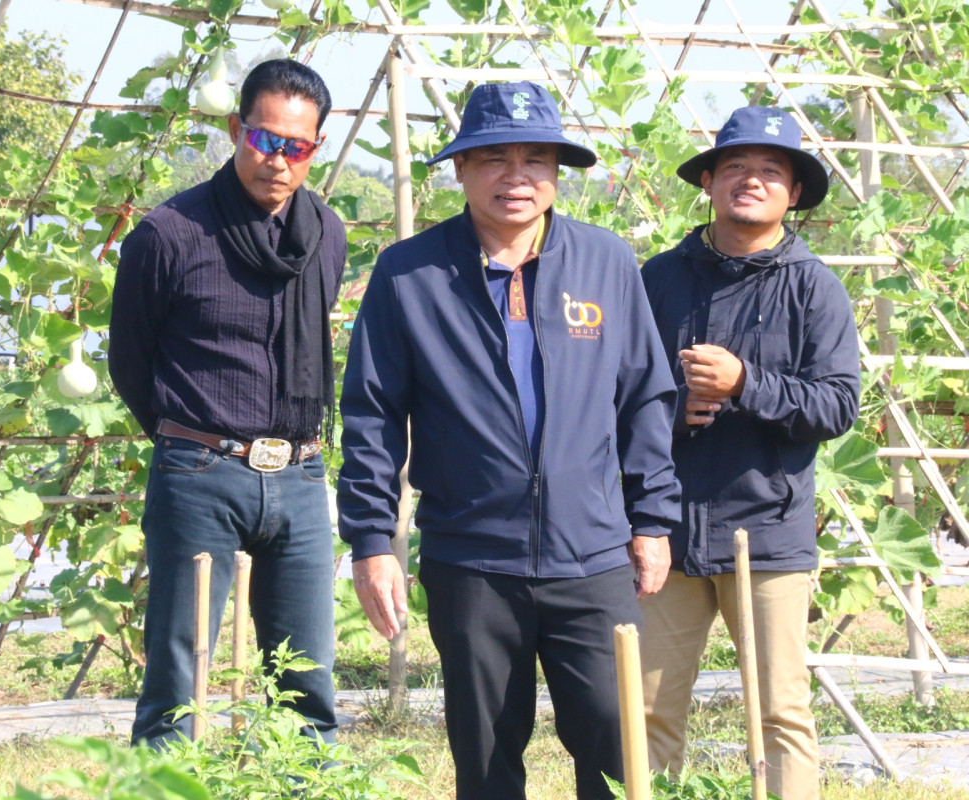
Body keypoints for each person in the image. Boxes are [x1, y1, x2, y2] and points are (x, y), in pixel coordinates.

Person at [337, 81, 682, 800]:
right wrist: (371, 541)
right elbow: (372, 414)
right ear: (461, 168)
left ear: (557, 172)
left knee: (617, 745)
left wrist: (652, 519)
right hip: (472, 558)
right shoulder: (409, 274)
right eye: (494, 158)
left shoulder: (606, 262)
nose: (516, 177)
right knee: (487, 756)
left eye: (536, 159)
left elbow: (645, 397)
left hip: (591, 554)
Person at [109, 58, 346, 749]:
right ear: (238, 130)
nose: (278, 160)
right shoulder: (170, 234)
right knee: (178, 682)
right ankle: (163, 789)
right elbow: (130, 363)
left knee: (306, 680)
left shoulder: (325, 235)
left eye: (296, 146)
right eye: (265, 139)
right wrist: (190, 443)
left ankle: (303, 789)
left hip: (300, 475)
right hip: (201, 473)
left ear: (316, 148)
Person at [639, 106, 861, 800]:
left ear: (793, 194)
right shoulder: (658, 279)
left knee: (779, 712)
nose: (751, 179)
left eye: (771, 170)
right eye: (735, 165)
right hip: (666, 529)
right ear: (708, 181)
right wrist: (673, 410)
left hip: (767, 532)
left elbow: (837, 407)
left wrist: (746, 383)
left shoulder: (815, 288)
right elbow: (617, 393)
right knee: (645, 710)